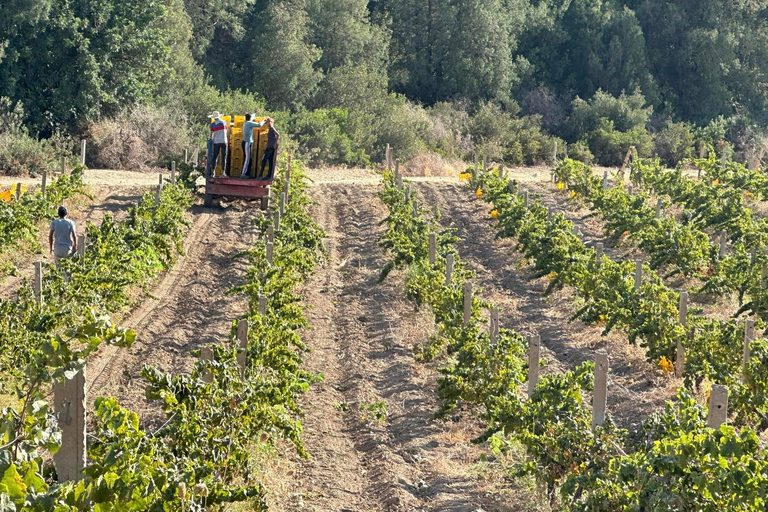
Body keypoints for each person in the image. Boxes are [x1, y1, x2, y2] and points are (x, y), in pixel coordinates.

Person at [208, 111, 229, 176]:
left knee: (215, 157)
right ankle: (223, 172)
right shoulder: (224, 123)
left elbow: (211, 135)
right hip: (224, 141)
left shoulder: (212, 125)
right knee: (223, 157)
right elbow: (226, 131)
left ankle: (213, 172)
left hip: (216, 142)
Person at [241, 113, 259, 177]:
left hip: (246, 142)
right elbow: (259, 125)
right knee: (247, 158)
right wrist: (264, 120)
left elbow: (252, 116)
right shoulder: (249, 123)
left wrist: (254, 115)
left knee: (249, 158)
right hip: (247, 143)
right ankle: (243, 174)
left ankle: (247, 173)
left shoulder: (245, 123)